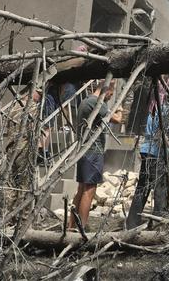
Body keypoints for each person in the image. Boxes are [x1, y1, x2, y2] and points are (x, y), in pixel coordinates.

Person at [70, 80, 121, 230]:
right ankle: (82, 228)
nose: (111, 96)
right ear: (108, 88)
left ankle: (72, 226)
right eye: (112, 92)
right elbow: (117, 119)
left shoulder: (86, 100)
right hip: (93, 151)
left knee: (81, 190)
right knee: (89, 190)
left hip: (84, 151)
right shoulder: (96, 102)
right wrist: (120, 109)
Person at [126, 99, 169, 229]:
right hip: (156, 152)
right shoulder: (164, 112)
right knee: (159, 187)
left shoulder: (151, 112)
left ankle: (132, 222)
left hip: (146, 150)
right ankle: (158, 222)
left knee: (142, 187)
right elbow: (162, 135)